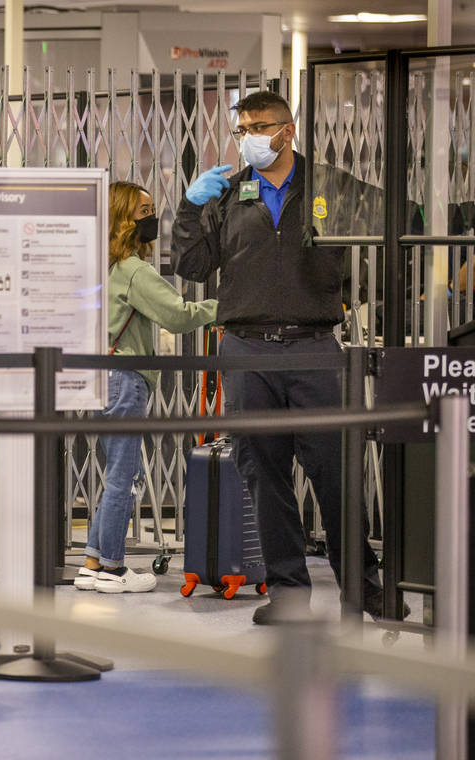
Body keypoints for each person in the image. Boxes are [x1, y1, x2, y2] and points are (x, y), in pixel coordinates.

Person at [170, 91, 392, 625]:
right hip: (246, 350)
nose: (248, 137)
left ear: (287, 132)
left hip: (315, 347)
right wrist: (190, 205)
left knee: (336, 477)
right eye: (241, 127)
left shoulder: (330, 186)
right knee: (264, 477)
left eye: (258, 126)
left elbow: (392, 224)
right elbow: (193, 265)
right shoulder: (228, 195)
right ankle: (289, 596)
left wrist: (353, 292)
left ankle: (361, 591)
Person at [74, 182, 217, 594]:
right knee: (124, 476)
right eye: (144, 211)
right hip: (125, 379)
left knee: (118, 473)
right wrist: (226, 308)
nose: (152, 219)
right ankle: (113, 567)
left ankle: (92, 562)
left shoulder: (104, 268)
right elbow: (177, 314)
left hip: (102, 377)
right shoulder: (135, 270)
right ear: (124, 219)